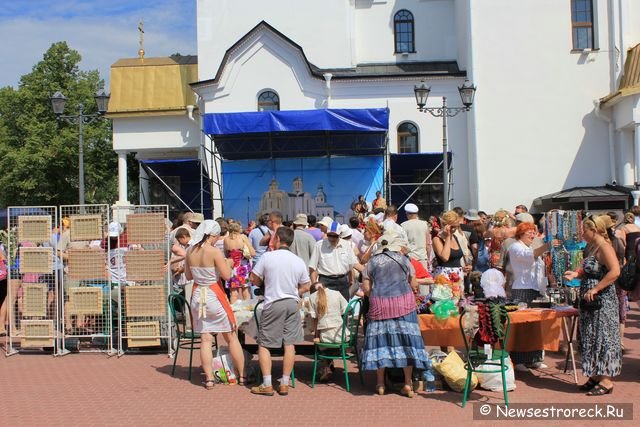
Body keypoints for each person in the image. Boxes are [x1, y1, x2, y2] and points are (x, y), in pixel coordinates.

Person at [360, 231, 429, 397]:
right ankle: (407, 383)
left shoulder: (372, 262)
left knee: (380, 342)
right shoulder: (404, 260)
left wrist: (378, 293)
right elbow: (413, 283)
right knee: (407, 342)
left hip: (380, 305)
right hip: (403, 304)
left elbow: (367, 288)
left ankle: (381, 384)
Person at [250, 227, 311, 396]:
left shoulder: (268, 257)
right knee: (289, 343)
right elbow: (306, 285)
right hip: (292, 302)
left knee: (264, 343)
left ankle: (267, 383)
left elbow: (253, 278)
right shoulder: (297, 260)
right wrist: (294, 292)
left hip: (274, 302)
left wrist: (263, 282)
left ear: (277, 239)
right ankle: (284, 383)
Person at [564, 215, 621, 396]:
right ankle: (596, 375)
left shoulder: (605, 247)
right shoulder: (591, 247)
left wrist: (596, 288)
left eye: (584, 230)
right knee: (592, 336)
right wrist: (576, 274)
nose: (582, 233)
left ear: (594, 230)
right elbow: (589, 270)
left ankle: (606, 380)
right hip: (590, 302)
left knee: (603, 337)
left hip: (603, 302)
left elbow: (615, 272)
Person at [185, 220, 245, 389]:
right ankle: (242, 375)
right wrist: (229, 264)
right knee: (231, 336)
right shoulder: (215, 252)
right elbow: (227, 276)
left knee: (205, 338)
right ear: (213, 235)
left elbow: (189, 276)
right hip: (214, 295)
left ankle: (210, 378)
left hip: (198, 295)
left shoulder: (190, 250)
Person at [508, 222, 553, 372]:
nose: (532, 235)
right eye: (529, 233)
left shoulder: (529, 247)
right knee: (522, 327)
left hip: (535, 289)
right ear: (521, 233)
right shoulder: (515, 247)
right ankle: (518, 360)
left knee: (535, 326)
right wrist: (548, 245)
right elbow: (530, 256)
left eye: (534, 233)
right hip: (522, 289)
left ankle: (534, 359)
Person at [308, 281, 349, 382]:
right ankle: (328, 364)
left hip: (326, 339)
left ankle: (325, 366)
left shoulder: (312, 297)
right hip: (341, 335)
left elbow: (315, 320)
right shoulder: (337, 294)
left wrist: (316, 335)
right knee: (327, 340)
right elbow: (348, 310)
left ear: (312, 291)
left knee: (319, 342)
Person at [309, 221, 359, 300]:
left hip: (342, 281)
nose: (332, 238)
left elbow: (351, 265)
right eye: (329, 235)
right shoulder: (319, 245)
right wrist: (314, 283)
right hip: (325, 282)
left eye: (334, 236)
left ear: (339, 234)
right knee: (327, 309)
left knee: (343, 308)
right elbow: (312, 267)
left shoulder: (346, 245)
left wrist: (351, 279)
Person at [224, 221, 255, 303]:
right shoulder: (243, 237)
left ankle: (233, 311)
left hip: (232, 266)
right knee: (246, 291)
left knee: (233, 293)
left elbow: (226, 254)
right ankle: (247, 311)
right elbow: (253, 253)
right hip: (243, 265)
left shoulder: (226, 240)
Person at [432, 210, 467, 279]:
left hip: (457, 276)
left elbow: (456, 259)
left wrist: (465, 267)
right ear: (445, 225)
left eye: (456, 227)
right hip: (444, 277)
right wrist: (448, 236)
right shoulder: (437, 239)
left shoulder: (455, 237)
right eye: (452, 227)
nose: (454, 230)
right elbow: (445, 257)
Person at [401, 203, 431, 271]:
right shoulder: (425, 224)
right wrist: (428, 258)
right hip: (422, 258)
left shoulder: (403, 225)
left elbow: (402, 244)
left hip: (409, 259)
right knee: (424, 279)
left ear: (408, 214)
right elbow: (428, 244)